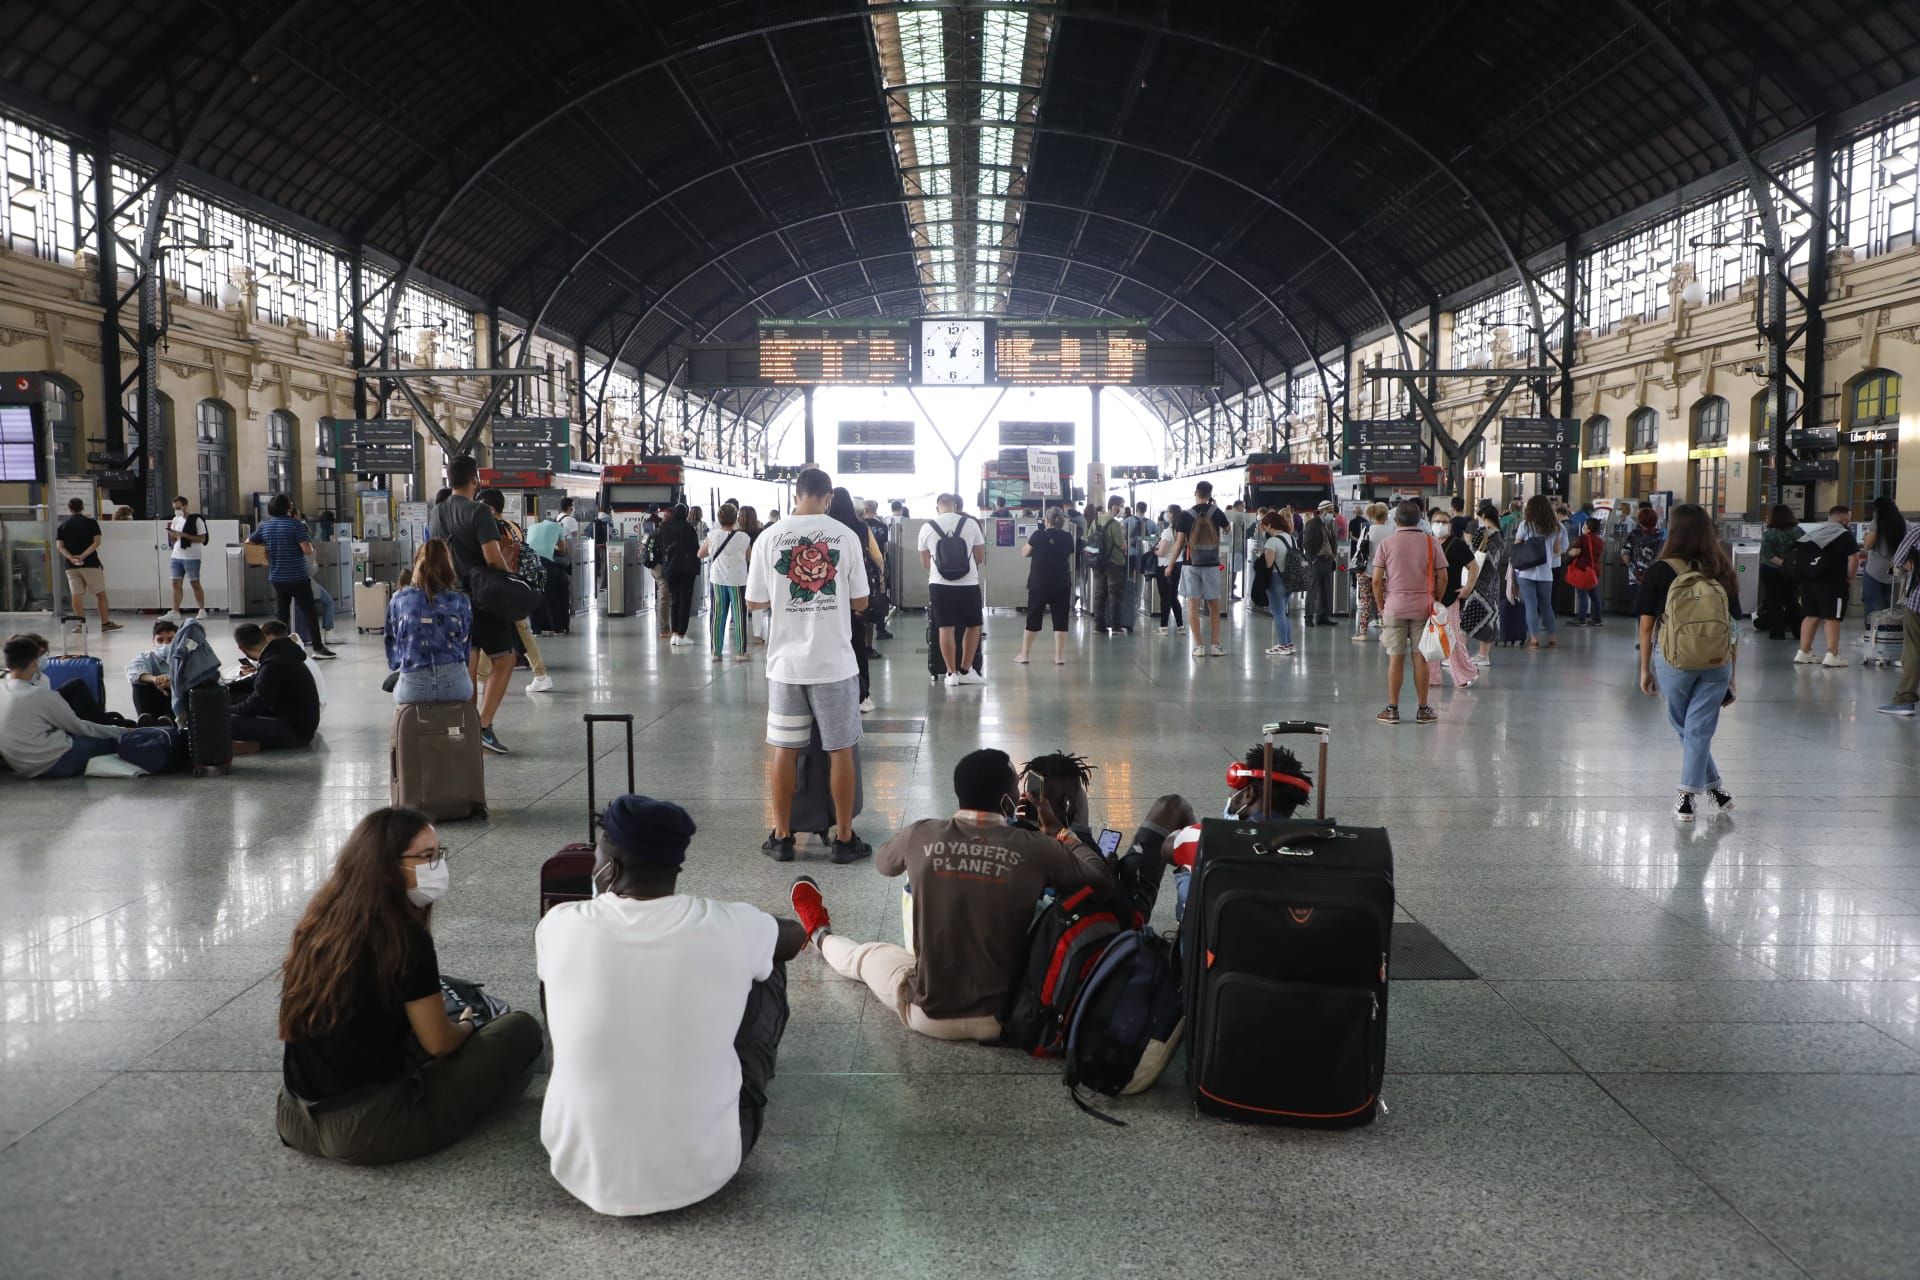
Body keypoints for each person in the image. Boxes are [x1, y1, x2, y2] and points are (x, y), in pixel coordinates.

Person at [538, 795, 805, 1216]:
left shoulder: (558, 925)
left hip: (575, 1164)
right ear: (676, 864)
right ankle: (744, 1076)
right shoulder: (729, 924)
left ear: (611, 862)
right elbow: (795, 938)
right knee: (767, 961)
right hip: (708, 1167)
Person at [787, 747, 1115, 1044]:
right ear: (1007, 801)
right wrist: (1061, 832)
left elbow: (884, 864)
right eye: (1017, 789)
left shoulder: (921, 833)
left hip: (928, 1015)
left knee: (865, 957)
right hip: (1004, 1018)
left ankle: (818, 932)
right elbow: (1101, 878)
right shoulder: (1040, 847)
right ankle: (821, 933)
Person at [276, 807, 541, 1164]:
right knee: (520, 1029)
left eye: (439, 854)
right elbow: (439, 1043)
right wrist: (464, 1025)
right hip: (368, 1129)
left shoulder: (321, 920)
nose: (438, 866)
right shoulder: (403, 938)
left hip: (294, 1117)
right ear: (387, 867)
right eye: (427, 856)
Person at [746, 467, 872, 864]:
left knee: (784, 749)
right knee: (841, 750)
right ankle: (845, 838)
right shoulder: (846, 536)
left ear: (796, 494)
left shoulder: (769, 537)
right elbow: (861, 602)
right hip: (834, 663)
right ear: (828, 495)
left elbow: (753, 601)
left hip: (785, 665)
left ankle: (782, 836)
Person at [1635, 503, 1741, 822]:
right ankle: (1715, 790)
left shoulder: (1660, 570)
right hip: (1716, 661)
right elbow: (1733, 628)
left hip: (1674, 659)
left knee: (1688, 728)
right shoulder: (1721, 568)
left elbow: (1646, 624)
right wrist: (1732, 676)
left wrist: (1644, 668)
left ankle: (1686, 798)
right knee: (1697, 730)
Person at [429, 457, 515, 753]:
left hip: (449, 599)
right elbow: (492, 558)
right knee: (505, 659)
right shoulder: (479, 511)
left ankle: (464, 727)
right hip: (481, 599)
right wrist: (511, 579)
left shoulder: (436, 513)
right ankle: (484, 726)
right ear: (475, 479)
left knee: (469, 662)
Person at [0, 634, 127, 777]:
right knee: (115, 741)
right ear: (33, 663)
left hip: (20, 764)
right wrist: (122, 731)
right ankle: (141, 731)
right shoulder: (41, 695)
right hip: (52, 761)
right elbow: (80, 728)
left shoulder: (2, 687)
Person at [1370, 499, 1446, 726]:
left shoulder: (1387, 543)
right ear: (1420, 520)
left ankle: (1392, 710)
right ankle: (1423, 710)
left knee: (1396, 659)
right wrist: (1435, 600)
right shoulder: (1432, 543)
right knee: (1420, 658)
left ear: (1395, 520)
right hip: (1423, 606)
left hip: (1395, 606)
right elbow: (1443, 576)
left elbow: (1376, 580)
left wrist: (1381, 606)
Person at [472, 490, 554, 694]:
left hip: (502, 586)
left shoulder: (493, 528)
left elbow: (492, 558)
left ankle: (481, 678)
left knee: (489, 630)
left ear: (489, 508)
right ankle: (540, 674)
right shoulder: (513, 526)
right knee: (520, 630)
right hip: (518, 585)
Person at [247, 495, 337, 659]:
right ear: (288, 507)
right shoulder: (295, 525)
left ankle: (279, 647)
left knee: (282, 614)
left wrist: (266, 551)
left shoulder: (264, 526)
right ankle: (317, 647)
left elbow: (249, 542)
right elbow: (307, 550)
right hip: (297, 576)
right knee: (309, 611)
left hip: (276, 577)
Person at [385, 540, 473, 705]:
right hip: (455, 682)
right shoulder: (461, 600)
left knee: (399, 697)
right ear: (448, 566)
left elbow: (393, 642)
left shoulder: (400, 598)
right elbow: (465, 643)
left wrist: (398, 664)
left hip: (414, 683)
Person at [918, 493, 987, 685]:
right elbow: (980, 557)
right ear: (956, 506)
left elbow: (925, 563)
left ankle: (950, 674)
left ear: (938, 507)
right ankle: (966, 670)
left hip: (939, 584)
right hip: (968, 584)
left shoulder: (927, 528)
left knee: (945, 627)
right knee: (974, 625)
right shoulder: (971, 524)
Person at [828, 487, 885, 712]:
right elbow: (877, 557)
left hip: (831, 596)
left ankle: (834, 696)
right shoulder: (861, 528)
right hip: (856, 594)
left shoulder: (827, 529)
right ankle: (863, 696)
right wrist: (880, 580)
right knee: (857, 644)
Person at [229, 622, 320, 752]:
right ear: (263, 637)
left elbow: (252, 707)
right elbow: (255, 680)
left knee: (223, 721)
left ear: (241, 649)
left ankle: (251, 745)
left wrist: (223, 709)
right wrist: (225, 689)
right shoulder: (280, 652)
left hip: (296, 732)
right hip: (299, 722)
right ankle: (253, 744)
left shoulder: (273, 664)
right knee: (234, 697)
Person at [1794, 505, 1863, 668]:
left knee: (1811, 615)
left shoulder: (1812, 533)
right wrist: (1849, 577)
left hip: (1809, 581)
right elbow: (1854, 559)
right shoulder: (1845, 535)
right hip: (1833, 583)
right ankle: (1832, 654)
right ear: (1845, 519)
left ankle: (1804, 652)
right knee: (1832, 617)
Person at [1424, 506, 1481, 691]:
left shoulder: (1456, 544)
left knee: (1453, 638)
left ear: (1450, 525)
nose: (1440, 525)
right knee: (1430, 638)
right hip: (1428, 599)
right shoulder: (1428, 543)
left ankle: (1467, 673)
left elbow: (1473, 566)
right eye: (1437, 521)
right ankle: (1432, 676)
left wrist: (1468, 588)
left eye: (1444, 522)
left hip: (1449, 598)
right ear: (1430, 523)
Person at [1172, 481, 1232, 657]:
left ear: (1195, 493)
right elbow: (1228, 530)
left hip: (1191, 564)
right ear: (1210, 494)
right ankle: (1215, 644)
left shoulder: (1185, 515)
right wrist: (1216, 510)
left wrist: (1170, 564)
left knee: (1192, 605)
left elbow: (1179, 542)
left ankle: (1198, 646)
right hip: (1212, 564)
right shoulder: (1217, 512)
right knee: (1214, 606)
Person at [1508, 494, 1568, 649]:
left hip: (1526, 571)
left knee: (1531, 605)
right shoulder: (1555, 527)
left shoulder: (1525, 525)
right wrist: (1545, 554)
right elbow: (1557, 550)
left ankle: (1534, 639)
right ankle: (1552, 638)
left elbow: (1517, 545)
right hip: (1546, 572)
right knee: (1547, 605)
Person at [1017, 507, 1076, 665]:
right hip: (1062, 583)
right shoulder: (1068, 537)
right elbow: (1066, 554)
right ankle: (1059, 657)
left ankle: (1025, 655)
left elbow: (1025, 552)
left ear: (1046, 521)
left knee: (1033, 618)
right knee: (1060, 619)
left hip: (1039, 583)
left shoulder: (1038, 535)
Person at [1875, 518, 1920, 717]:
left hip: (1917, 602)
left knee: (1913, 648)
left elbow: (1898, 562)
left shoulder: (1917, 531)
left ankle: (1904, 699)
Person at [56, 498, 121, 633]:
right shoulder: (91, 523)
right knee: (100, 594)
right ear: (82, 507)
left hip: (71, 566)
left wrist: (71, 558)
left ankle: (80, 625)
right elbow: (96, 542)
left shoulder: (62, 525)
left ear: (69, 508)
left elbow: (60, 547)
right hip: (91, 563)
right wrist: (83, 556)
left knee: (76, 595)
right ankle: (105, 623)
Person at [702, 504, 752, 664]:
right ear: (735, 518)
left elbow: (700, 554)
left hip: (718, 580)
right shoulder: (743, 537)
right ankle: (741, 652)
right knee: (739, 616)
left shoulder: (712, 535)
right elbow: (750, 557)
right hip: (738, 581)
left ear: (719, 518)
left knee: (717, 616)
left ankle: (716, 652)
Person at [1462, 501, 1508, 668]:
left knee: (1466, 618)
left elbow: (1471, 553)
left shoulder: (1482, 532)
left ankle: (1459, 655)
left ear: (1484, 517)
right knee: (1489, 618)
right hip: (1493, 580)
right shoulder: (1500, 535)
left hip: (1477, 580)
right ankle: (1483, 655)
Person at [524, 504, 573, 637]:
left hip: (529, 563)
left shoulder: (532, 527)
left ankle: (537, 630)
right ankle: (557, 628)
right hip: (545, 563)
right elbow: (562, 549)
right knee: (551, 596)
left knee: (534, 595)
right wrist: (554, 547)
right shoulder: (558, 527)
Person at [1085, 496, 1130, 637]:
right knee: (1115, 595)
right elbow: (1122, 546)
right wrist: (1125, 546)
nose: (1122, 509)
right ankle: (1116, 627)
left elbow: (1089, 539)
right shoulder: (1115, 525)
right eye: (1121, 505)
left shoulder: (1095, 521)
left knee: (1100, 594)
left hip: (1097, 563)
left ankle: (1099, 626)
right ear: (1114, 506)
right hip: (1114, 563)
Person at [1757, 503, 1802, 640]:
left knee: (1773, 601)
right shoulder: (1797, 531)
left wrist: (1781, 563)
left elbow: (1768, 554)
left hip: (1770, 571)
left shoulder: (1769, 533)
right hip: (1792, 571)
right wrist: (1790, 564)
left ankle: (1777, 632)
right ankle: (1798, 631)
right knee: (1792, 601)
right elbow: (1805, 549)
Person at [1860, 496, 1907, 624]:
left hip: (1875, 571)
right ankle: (1889, 635)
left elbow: (1868, 545)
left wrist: (1865, 537)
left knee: (1873, 605)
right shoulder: (1903, 522)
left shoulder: (1877, 521)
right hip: (1896, 570)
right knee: (1893, 607)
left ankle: (1872, 635)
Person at [1261, 510, 1299, 657]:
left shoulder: (1272, 541)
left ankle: (1282, 645)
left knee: (1277, 612)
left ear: (1269, 525)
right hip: (1290, 578)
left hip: (1276, 579)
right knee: (1282, 612)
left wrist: (1262, 557)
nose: (1265, 531)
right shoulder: (1291, 539)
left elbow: (1268, 564)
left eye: (1265, 527)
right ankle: (1288, 643)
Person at [126, 618, 179, 722]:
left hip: (176, 702)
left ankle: (169, 720)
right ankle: (145, 719)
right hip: (154, 700)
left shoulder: (187, 659)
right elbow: (132, 671)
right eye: (160, 640)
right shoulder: (146, 657)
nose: (165, 644)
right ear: (153, 642)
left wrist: (170, 684)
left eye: (170, 640)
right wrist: (155, 680)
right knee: (139, 682)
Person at [165, 495, 208, 619]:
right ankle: (175, 610)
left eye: (178, 507)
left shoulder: (196, 520)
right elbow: (175, 538)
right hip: (176, 554)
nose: (177, 510)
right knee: (175, 583)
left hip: (191, 556)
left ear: (185, 506)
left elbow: (202, 538)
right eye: (174, 508)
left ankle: (201, 609)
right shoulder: (176, 519)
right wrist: (172, 535)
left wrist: (183, 535)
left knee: (194, 582)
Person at [1350, 501, 1387, 641]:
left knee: (1365, 601)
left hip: (1365, 570)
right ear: (1386, 516)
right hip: (1384, 572)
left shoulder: (1367, 529)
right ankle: (1385, 632)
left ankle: (1363, 633)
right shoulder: (1391, 531)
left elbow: (1359, 548)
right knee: (1383, 602)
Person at [1565, 513, 1607, 626]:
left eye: (1584, 525)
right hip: (1595, 570)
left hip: (1583, 570)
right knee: (1594, 595)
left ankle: (1581, 619)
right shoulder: (1600, 540)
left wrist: (1567, 553)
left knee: (1582, 595)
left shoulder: (1583, 538)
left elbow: (1575, 552)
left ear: (1587, 527)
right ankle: (1597, 619)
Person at [1302, 500, 1339, 626]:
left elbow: (1332, 540)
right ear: (1322, 511)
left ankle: (1322, 616)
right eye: (1330, 511)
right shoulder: (1312, 524)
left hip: (1327, 561)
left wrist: (1334, 553)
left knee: (1326, 590)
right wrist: (1313, 560)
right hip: (1316, 562)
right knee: (1313, 590)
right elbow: (1306, 544)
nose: (1332, 514)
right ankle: (1308, 617)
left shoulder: (1328, 524)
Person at [1151, 506, 1185, 636]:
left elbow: (1162, 552)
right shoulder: (1180, 531)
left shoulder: (1167, 532)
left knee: (1165, 597)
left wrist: (1154, 551)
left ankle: (1163, 627)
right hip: (1177, 564)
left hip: (1165, 566)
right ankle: (1180, 626)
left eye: (1167, 512)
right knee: (1173, 597)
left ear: (1171, 515)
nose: (1165, 514)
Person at [1623, 505, 1665, 598]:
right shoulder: (1661, 535)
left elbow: (1625, 553)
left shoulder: (1634, 534)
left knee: (1639, 604)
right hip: (1655, 576)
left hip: (1635, 578)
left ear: (1640, 520)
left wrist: (1631, 566)